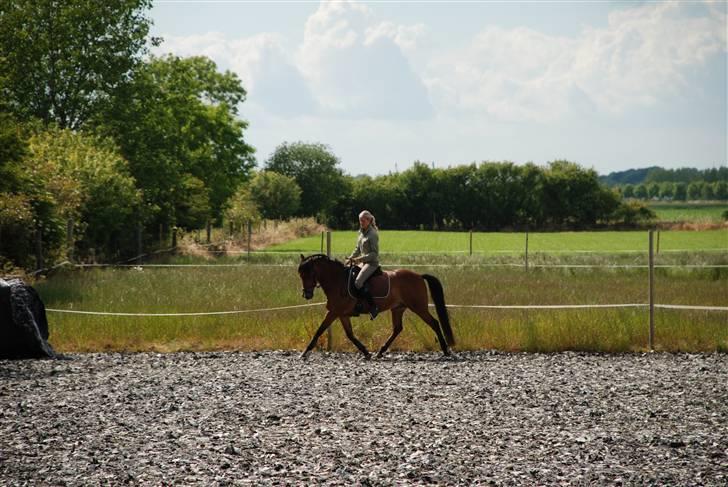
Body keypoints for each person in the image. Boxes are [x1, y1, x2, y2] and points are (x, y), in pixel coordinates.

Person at [345, 210, 380, 319]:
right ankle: (354, 304)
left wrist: (359, 259)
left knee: (358, 282)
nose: (361, 222)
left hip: (371, 263)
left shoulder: (373, 234)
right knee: (347, 274)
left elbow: (374, 254)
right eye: (360, 220)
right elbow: (357, 248)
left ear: (369, 220)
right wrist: (351, 258)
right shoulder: (361, 232)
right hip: (362, 262)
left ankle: (373, 307)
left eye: (363, 220)